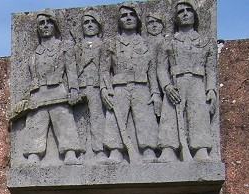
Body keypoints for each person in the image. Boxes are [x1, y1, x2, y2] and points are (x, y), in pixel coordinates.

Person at [100, 3, 161, 163]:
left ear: (138, 18)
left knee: (145, 117)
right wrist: (104, 90)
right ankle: (115, 151)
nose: (128, 18)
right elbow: (104, 70)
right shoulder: (111, 43)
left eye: (131, 14)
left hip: (142, 86)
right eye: (124, 15)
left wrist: (155, 93)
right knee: (115, 118)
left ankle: (148, 150)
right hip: (118, 87)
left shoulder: (147, 44)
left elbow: (152, 72)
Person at [157, 0, 217, 162]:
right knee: (169, 115)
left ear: (194, 15)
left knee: (198, 114)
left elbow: (210, 69)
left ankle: (200, 149)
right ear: (176, 18)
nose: (184, 14)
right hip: (175, 83)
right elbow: (161, 68)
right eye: (180, 12)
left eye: (188, 10)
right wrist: (167, 86)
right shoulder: (168, 42)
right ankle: (168, 149)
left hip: (197, 81)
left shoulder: (205, 41)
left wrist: (211, 90)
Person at [23, 10, 81, 164]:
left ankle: (70, 152)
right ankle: (33, 154)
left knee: (63, 120)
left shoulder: (64, 47)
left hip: (57, 89)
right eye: (41, 23)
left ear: (55, 25)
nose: (45, 26)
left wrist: (74, 89)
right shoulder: (35, 53)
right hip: (38, 92)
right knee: (36, 123)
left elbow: (71, 71)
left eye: (49, 22)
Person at [75, 8, 106, 161]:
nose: (89, 25)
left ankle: (99, 150)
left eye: (93, 21)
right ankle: (79, 151)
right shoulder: (77, 47)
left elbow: (106, 70)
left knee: (97, 118)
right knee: (80, 120)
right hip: (80, 87)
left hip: (96, 86)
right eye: (86, 22)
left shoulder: (103, 45)